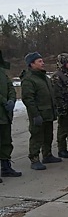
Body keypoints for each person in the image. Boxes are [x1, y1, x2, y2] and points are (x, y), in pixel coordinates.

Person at [21, 52, 60, 170]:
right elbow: (28, 99)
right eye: (39, 61)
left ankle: (47, 154)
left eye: (42, 61)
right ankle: (34, 159)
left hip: (48, 112)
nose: (43, 63)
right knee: (37, 136)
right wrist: (35, 115)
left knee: (48, 135)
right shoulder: (29, 79)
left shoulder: (44, 77)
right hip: (38, 113)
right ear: (31, 64)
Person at [0, 50, 21, 180]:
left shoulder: (2, 72)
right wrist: (4, 101)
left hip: (5, 115)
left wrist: (12, 100)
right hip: (2, 109)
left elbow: (10, 88)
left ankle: (5, 167)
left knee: (6, 141)